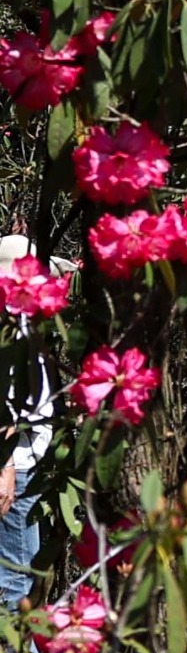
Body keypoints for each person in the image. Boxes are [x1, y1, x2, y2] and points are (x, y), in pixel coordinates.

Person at [0, 236, 53, 607]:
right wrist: (3, 467)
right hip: (14, 469)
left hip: (23, 465)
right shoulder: (7, 331)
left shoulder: (22, 324)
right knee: (14, 583)